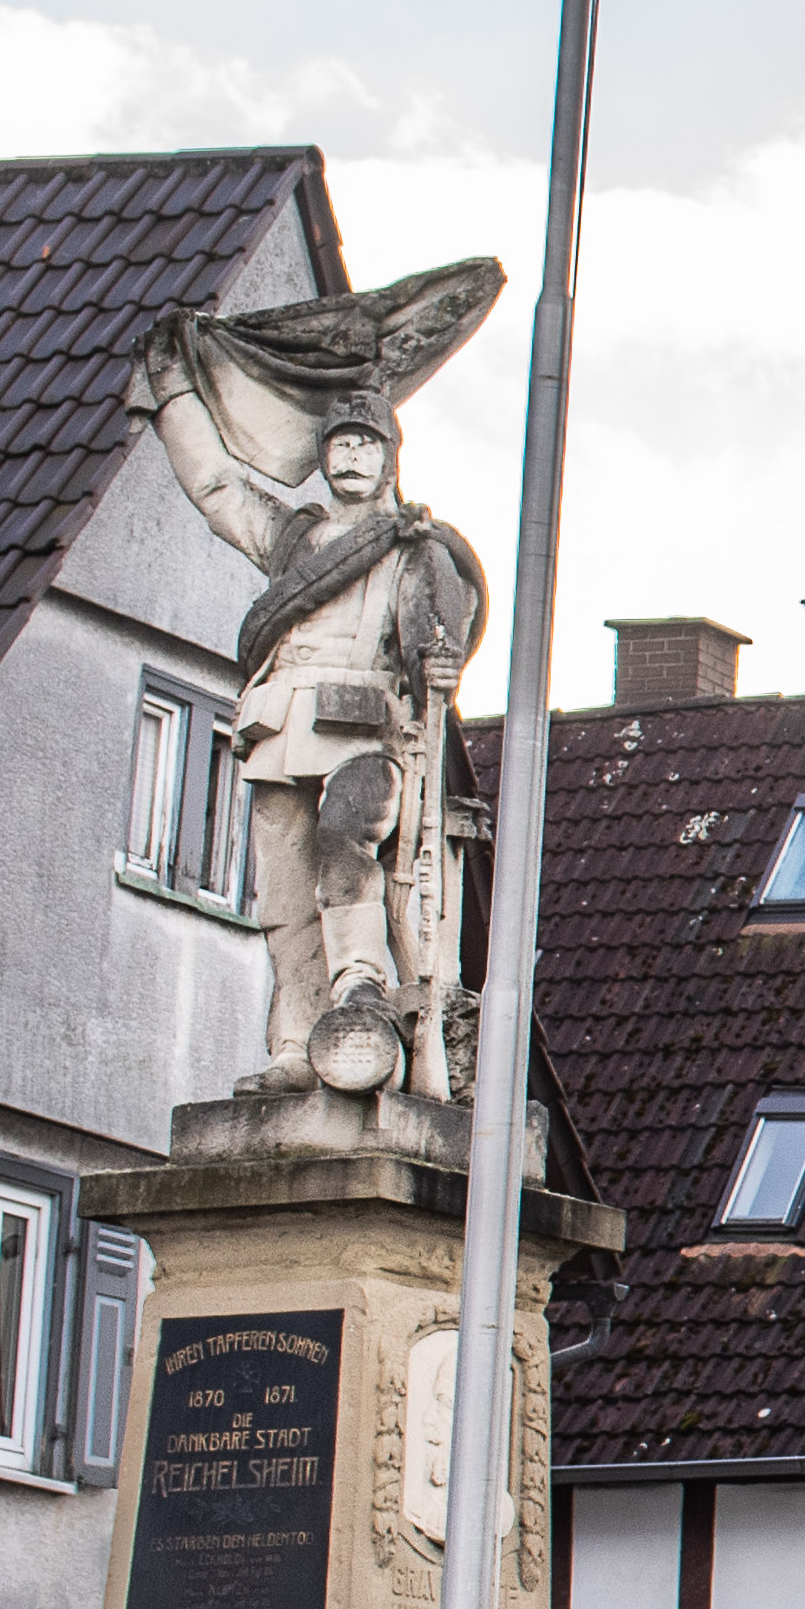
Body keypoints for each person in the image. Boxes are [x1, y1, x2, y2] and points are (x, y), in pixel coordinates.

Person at [131, 267, 502, 1099]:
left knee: (347, 839)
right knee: (283, 893)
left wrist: (442, 660)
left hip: (366, 728)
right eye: (338, 444)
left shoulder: (414, 549)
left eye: (366, 444)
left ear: (389, 458)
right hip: (277, 722)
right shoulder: (295, 540)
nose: (350, 456)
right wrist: (172, 397)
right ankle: (295, 1042)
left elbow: (440, 639)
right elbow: (218, 487)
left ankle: (362, 989)